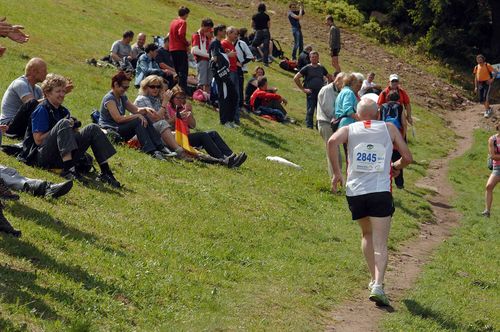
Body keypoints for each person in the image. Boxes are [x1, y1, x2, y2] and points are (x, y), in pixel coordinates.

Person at [327, 98, 413, 307]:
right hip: (380, 191)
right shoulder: (389, 128)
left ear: (357, 115)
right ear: (377, 114)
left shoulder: (350, 128)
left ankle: (373, 279)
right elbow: (408, 157)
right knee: (381, 242)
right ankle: (379, 285)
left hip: (356, 191)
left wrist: (337, 174)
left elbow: (331, 142)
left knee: (366, 234)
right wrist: (396, 165)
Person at [30, 74, 120, 187]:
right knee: (63, 123)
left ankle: (106, 172)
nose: (62, 95)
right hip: (45, 157)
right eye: (58, 91)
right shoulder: (42, 109)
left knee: (92, 127)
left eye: (63, 91)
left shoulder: (63, 111)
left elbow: (71, 136)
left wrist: (72, 129)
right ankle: (69, 170)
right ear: (47, 93)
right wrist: (61, 127)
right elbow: (38, 140)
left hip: (62, 155)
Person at [98, 71, 173, 161]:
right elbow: (118, 119)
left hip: (119, 128)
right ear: (116, 84)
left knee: (143, 117)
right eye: (124, 87)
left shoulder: (122, 96)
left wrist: (145, 109)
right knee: (138, 120)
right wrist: (137, 115)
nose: (126, 89)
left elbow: (135, 110)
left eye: (127, 87)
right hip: (111, 130)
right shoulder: (109, 99)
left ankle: (159, 147)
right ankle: (151, 150)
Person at [167, 87, 247, 167]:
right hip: (177, 138)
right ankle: (223, 159)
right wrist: (175, 118)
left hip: (186, 136)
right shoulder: (169, 107)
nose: (181, 100)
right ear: (172, 98)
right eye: (178, 98)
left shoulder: (183, 108)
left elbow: (193, 125)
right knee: (203, 135)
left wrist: (190, 114)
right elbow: (166, 124)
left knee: (213, 133)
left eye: (183, 98)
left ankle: (232, 156)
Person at [134, 75, 192, 161]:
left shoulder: (157, 100)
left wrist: (177, 117)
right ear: (145, 87)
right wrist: (165, 103)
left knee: (177, 134)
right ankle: (179, 152)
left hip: (155, 132)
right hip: (142, 133)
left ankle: (191, 154)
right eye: (152, 86)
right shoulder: (142, 99)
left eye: (158, 87)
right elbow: (155, 119)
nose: (155, 89)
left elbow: (166, 122)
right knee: (163, 124)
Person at [209, 24, 238, 128]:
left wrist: (226, 54)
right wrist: (227, 55)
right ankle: (224, 121)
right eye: (223, 31)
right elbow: (215, 58)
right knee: (224, 97)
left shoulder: (218, 43)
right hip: (220, 75)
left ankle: (230, 120)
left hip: (225, 74)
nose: (225, 33)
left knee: (233, 95)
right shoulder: (214, 43)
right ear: (219, 31)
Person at [317, 72, 344, 178]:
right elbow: (329, 110)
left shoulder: (338, 91)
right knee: (333, 153)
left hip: (333, 125)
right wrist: (341, 117)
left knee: (336, 153)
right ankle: (335, 179)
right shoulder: (327, 90)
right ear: (336, 80)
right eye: (342, 82)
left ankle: (337, 178)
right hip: (326, 124)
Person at [293, 50, 329, 129]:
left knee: (319, 110)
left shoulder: (321, 68)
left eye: (316, 57)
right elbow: (296, 78)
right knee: (310, 109)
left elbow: (329, 77)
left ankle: (318, 126)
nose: (314, 59)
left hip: (320, 92)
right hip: (311, 92)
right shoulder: (307, 68)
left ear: (318, 58)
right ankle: (309, 126)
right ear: (310, 58)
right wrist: (303, 89)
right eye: (312, 57)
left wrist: (326, 87)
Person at [380, 90, 407, 189]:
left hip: (385, 135)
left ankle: (385, 180)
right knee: (397, 158)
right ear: (398, 99)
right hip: (396, 135)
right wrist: (402, 137)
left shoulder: (383, 106)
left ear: (387, 98)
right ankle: (399, 183)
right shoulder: (400, 107)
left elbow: (379, 121)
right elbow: (404, 123)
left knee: (385, 158)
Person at [222, 26, 242, 125]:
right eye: (234, 34)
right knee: (232, 95)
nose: (236, 36)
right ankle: (232, 119)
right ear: (229, 33)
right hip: (230, 71)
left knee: (235, 96)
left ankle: (235, 118)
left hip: (234, 70)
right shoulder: (224, 43)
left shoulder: (231, 44)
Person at [169, 6, 190, 92]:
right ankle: (182, 90)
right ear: (185, 14)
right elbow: (181, 34)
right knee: (183, 71)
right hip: (180, 48)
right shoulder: (183, 22)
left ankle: (176, 89)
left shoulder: (173, 22)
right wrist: (186, 43)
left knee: (177, 70)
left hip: (172, 48)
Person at [192, 18, 214, 93]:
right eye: (207, 28)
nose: (208, 30)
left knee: (208, 81)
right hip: (201, 60)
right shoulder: (196, 35)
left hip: (209, 60)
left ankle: (206, 96)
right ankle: (199, 96)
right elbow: (195, 50)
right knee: (202, 80)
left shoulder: (207, 36)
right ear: (202, 26)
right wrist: (209, 55)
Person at [235, 28, 255, 110]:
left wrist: (242, 63)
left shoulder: (241, 43)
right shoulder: (227, 42)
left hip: (240, 69)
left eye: (237, 34)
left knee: (239, 86)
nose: (235, 36)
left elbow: (250, 56)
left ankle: (240, 105)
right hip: (230, 68)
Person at [483, 123, 500, 218]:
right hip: (497, 167)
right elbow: (493, 156)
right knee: (489, 186)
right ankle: (487, 211)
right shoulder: (492, 139)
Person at [473, 54, 497, 118]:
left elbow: (495, 72)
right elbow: (475, 77)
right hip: (480, 84)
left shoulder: (487, 65)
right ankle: (488, 108)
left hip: (487, 83)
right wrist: (475, 87)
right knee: (481, 100)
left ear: (483, 59)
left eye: (480, 59)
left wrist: (492, 79)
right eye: (478, 59)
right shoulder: (476, 67)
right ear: (476, 60)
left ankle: (486, 111)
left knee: (485, 97)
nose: (479, 60)